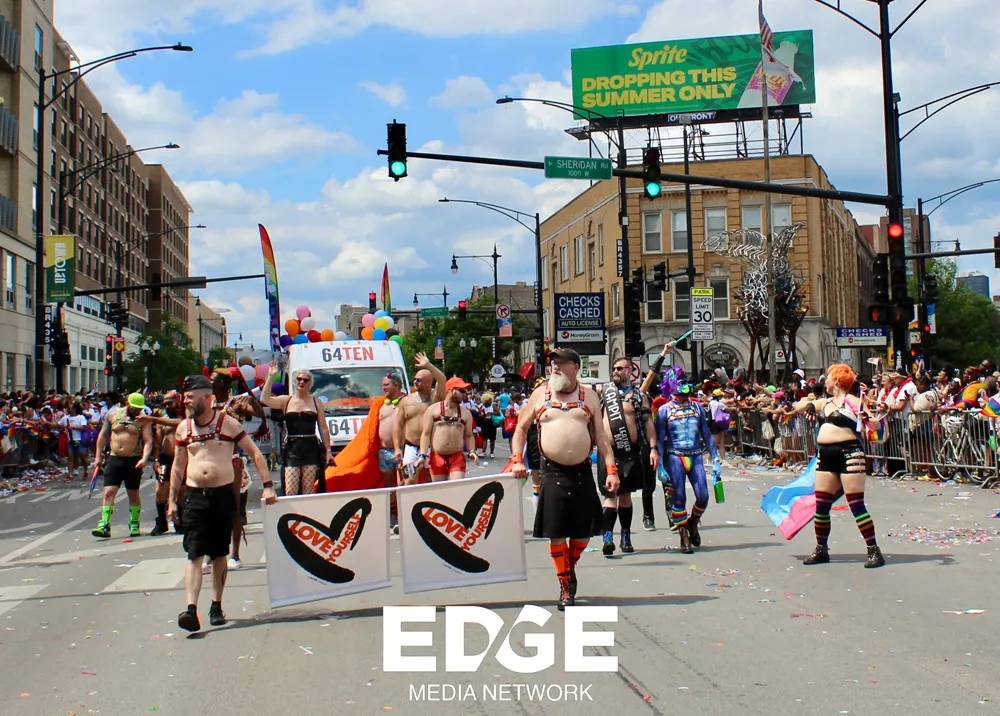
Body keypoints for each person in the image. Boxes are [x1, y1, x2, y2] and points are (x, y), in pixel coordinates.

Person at [510, 348, 616, 610]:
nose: (555, 367)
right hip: (553, 471)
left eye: (561, 363)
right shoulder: (540, 394)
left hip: (581, 471)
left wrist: (611, 469)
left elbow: (601, 436)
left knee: (584, 532)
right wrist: (517, 459)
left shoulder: (589, 396)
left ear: (575, 367)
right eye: (553, 363)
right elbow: (521, 428)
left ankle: (569, 565)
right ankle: (565, 584)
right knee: (556, 532)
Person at [169, 375, 277, 632]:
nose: (186, 401)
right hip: (195, 497)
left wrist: (268, 485)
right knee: (194, 553)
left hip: (221, 496)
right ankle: (191, 610)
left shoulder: (227, 424)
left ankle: (216, 605)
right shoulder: (184, 428)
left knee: (219, 554)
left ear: (207, 398)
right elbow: (178, 465)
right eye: (185, 397)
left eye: (191, 397)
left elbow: (254, 452)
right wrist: (172, 501)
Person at [800, 365, 885, 569]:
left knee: (856, 505)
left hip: (849, 454)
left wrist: (867, 418)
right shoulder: (826, 402)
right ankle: (821, 549)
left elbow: (876, 424)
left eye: (828, 378)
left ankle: (873, 550)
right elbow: (798, 406)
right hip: (825, 455)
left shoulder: (854, 401)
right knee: (821, 506)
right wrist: (809, 406)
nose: (825, 382)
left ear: (837, 381)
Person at [595, 357, 658, 556]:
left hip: (629, 452)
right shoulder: (605, 392)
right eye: (614, 368)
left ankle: (625, 535)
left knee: (625, 495)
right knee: (609, 494)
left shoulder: (640, 395)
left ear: (630, 370)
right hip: (608, 452)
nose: (616, 371)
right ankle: (607, 536)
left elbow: (648, 423)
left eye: (620, 368)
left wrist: (653, 448)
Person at [656, 368, 720, 555]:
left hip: (696, 455)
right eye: (681, 381)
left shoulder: (697, 407)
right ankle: (683, 535)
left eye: (686, 381)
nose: (685, 385)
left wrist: (716, 458)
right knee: (679, 497)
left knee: (703, 496)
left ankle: (693, 522)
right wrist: (660, 466)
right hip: (675, 456)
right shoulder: (664, 410)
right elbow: (659, 439)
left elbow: (706, 434)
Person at [260, 362, 332, 495]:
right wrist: (271, 376)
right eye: (299, 379)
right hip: (292, 447)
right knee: (290, 489)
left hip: (310, 447)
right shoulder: (286, 401)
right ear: (294, 382)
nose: (301, 382)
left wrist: (328, 450)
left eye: (305, 380)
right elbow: (264, 399)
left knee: (308, 490)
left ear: (310, 383)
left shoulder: (316, 402)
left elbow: (323, 428)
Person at [92, 393, 154, 539]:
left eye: (139, 408)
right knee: (109, 492)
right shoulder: (112, 415)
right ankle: (104, 524)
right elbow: (103, 436)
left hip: (133, 460)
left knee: (133, 494)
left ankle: (134, 522)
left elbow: (148, 440)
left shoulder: (143, 420)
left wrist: (145, 458)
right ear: (127, 403)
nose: (136, 411)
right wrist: (98, 456)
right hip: (114, 459)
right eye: (134, 408)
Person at [394, 352, 447, 485]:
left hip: (432, 447)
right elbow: (398, 425)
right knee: (408, 481)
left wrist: (428, 365)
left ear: (429, 382)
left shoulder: (436, 397)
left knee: (431, 480)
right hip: (411, 447)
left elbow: (442, 380)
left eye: (419, 380)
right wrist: (397, 448)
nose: (415, 382)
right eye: (415, 379)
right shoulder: (406, 401)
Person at [415, 377, 479, 481]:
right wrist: (422, 455)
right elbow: (425, 434)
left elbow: (469, 435)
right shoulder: (432, 410)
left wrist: (472, 451)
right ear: (452, 390)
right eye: (462, 391)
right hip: (437, 457)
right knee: (440, 489)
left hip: (457, 457)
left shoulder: (466, 413)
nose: (465, 395)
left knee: (456, 486)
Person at [141, 391, 184, 536]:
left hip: (182, 458)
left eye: (169, 403)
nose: (167, 406)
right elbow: (158, 442)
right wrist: (156, 460)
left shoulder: (185, 417)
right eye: (165, 404)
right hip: (166, 458)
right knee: (160, 491)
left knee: (181, 492)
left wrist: (154, 419)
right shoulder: (162, 420)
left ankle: (179, 521)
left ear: (178, 401)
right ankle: (161, 522)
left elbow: (181, 423)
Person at [378, 371, 406, 532]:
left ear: (396, 385)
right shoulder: (380, 404)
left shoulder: (406, 403)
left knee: (402, 483)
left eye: (386, 385)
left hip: (403, 451)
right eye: (383, 385)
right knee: (389, 486)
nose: (383, 388)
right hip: (384, 452)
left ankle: (402, 516)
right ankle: (392, 516)